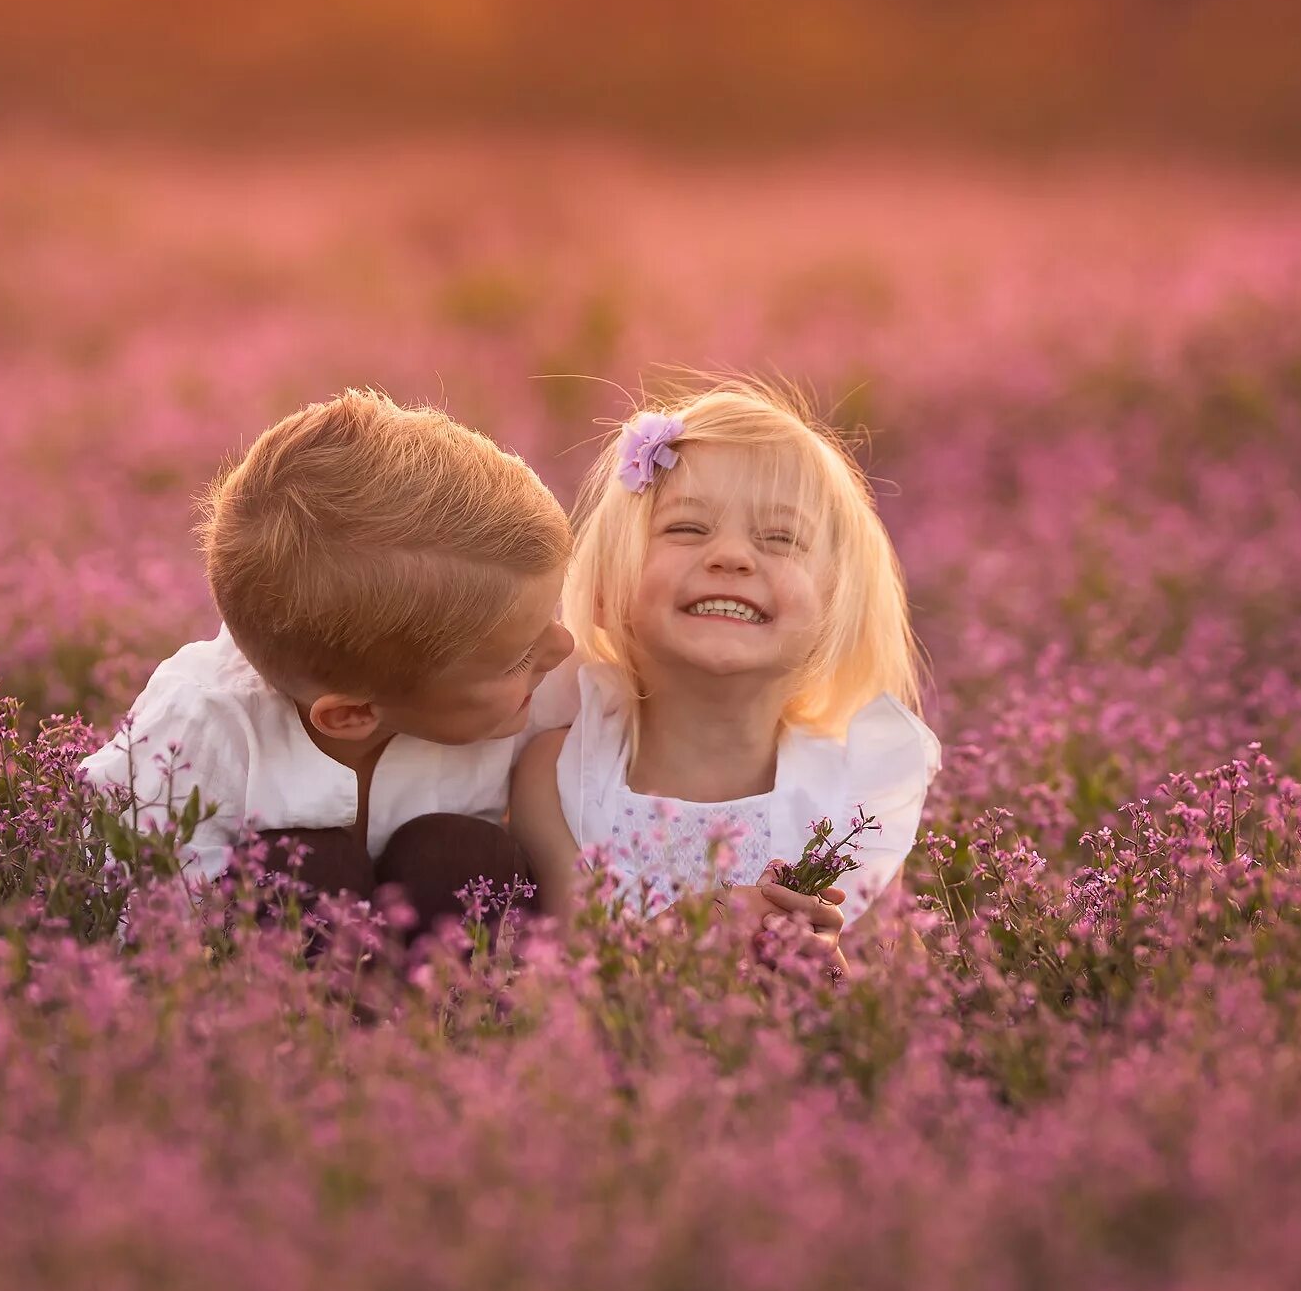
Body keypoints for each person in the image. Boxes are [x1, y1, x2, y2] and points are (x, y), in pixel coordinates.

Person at [81, 388, 576, 944]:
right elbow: (141, 909)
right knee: (308, 867)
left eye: (550, 618)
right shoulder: (201, 725)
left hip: (435, 956)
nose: (563, 648)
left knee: (464, 854)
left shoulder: (523, 686)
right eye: (523, 657)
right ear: (353, 713)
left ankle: (447, 1018)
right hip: (269, 983)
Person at [510, 375, 941, 971]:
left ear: (832, 612)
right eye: (686, 528)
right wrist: (713, 922)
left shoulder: (849, 792)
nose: (732, 556)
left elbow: (903, 998)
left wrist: (837, 982)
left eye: (781, 539)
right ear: (609, 588)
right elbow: (576, 974)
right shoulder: (566, 774)